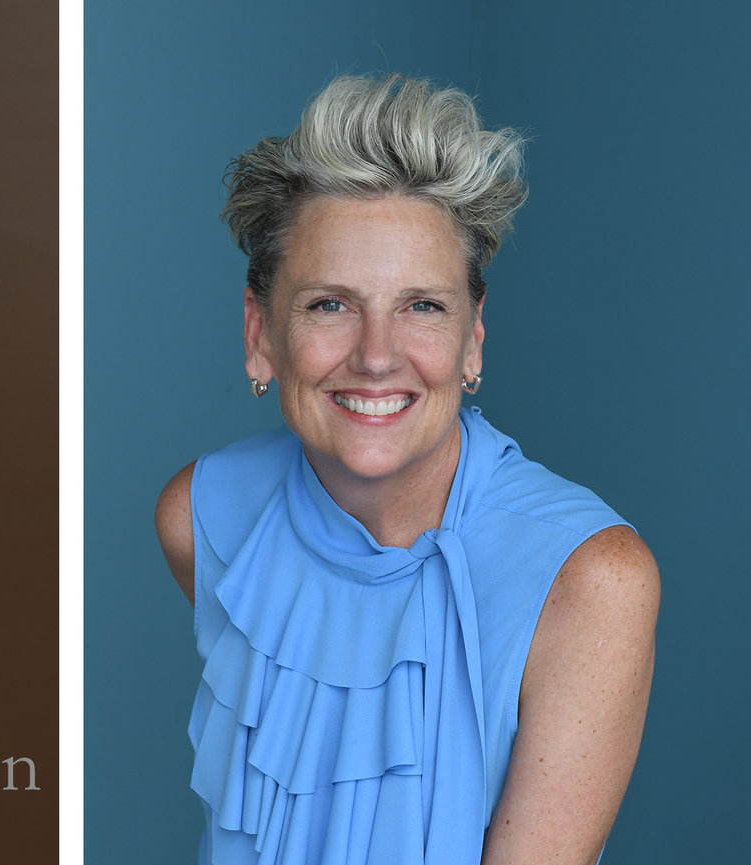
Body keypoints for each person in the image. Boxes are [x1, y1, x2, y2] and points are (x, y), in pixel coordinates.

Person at [155, 74, 658, 865]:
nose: (378, 355)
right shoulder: (204, 515)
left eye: (423, 305)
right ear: (260, 334)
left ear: (473, 340)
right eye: (330, 304)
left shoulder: (592, 579)